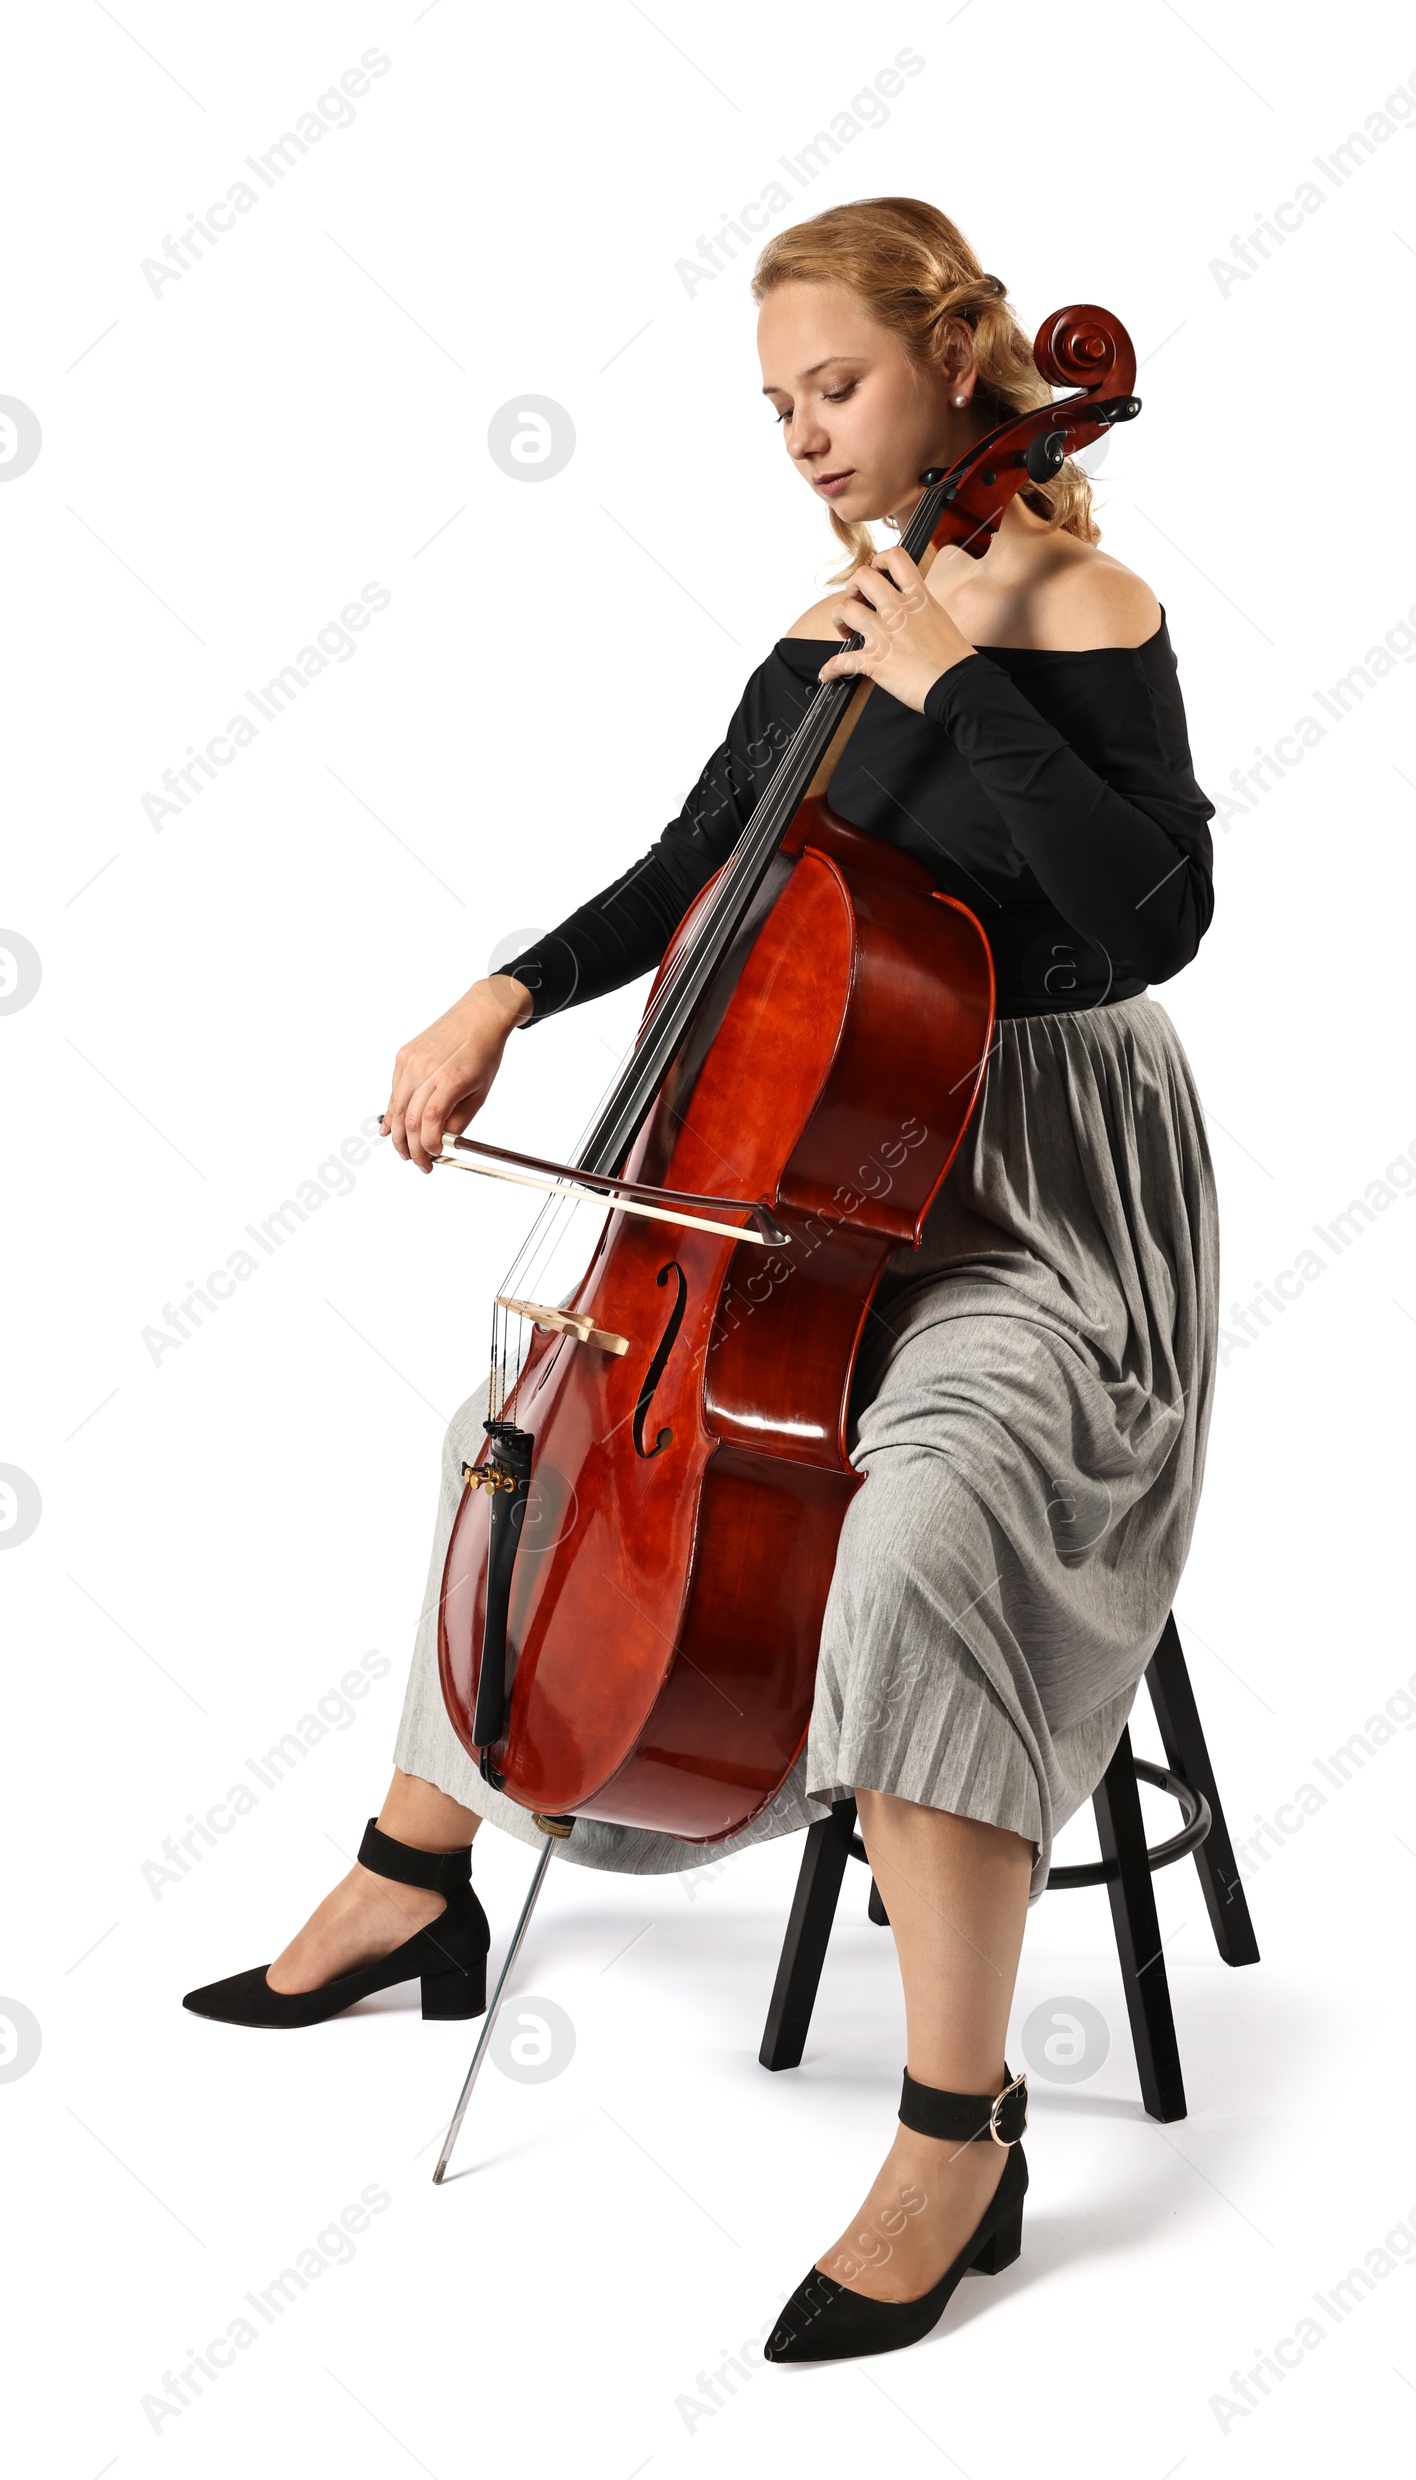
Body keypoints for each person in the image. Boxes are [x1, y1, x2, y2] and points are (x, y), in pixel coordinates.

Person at [183, 196, 1220, 2362]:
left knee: (924, 1534)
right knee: (529, 1410)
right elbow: (696, 869)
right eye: (770, 402)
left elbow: (1147, 916)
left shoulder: (1079, 601)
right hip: (825, 1167)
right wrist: (503, 990)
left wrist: (963, 683)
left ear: (955, 362)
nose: (798, 433)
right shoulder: (829, 612)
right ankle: (415, 1871)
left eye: (829, 385)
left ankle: (960, 2121)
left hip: (1038, 1195)